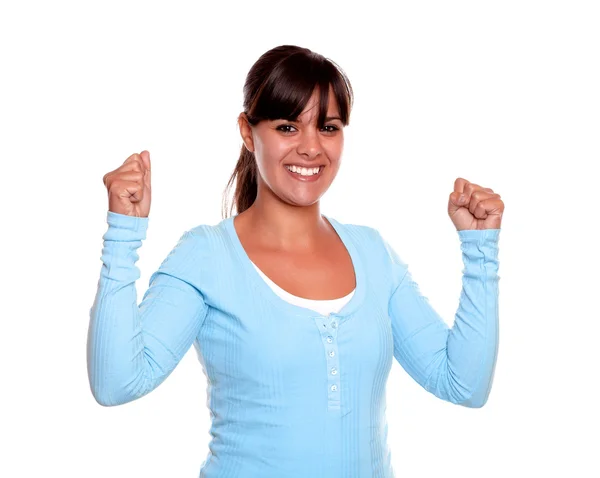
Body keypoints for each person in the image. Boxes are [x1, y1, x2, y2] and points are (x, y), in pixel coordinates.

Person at [89, 44, 504, 478]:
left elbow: (463, 383)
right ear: (248, 134)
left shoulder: (373, 254)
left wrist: (480, 250)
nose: (311, 148)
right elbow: (116, 382)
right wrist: (123, 234)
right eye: (288, 127)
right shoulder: (206, 257)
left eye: (328, 126)